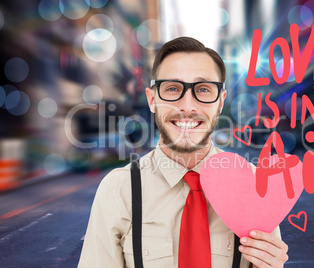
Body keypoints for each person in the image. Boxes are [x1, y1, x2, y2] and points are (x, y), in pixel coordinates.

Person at [78, 37, 289, 268]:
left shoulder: (253, 185)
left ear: (220, 102)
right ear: (152, 100)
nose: (188, 106)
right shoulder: (120, 189)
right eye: (172, 89)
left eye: (204, 89)